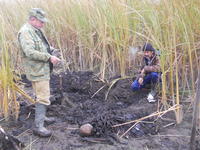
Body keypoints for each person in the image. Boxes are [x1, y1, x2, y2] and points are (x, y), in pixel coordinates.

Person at [18, 8, 61, 137]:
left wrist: (52, 50)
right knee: (43, 96)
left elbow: (41, 46)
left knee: (40, 95)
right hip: (37, 70)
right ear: (32, 19)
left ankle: (42, 118)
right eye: (40, 21)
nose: (43, 24)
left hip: (41, 68)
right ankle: (39, 127)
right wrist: (49, 57)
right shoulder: (26, 32)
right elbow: (30, 52)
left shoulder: (35, 30)